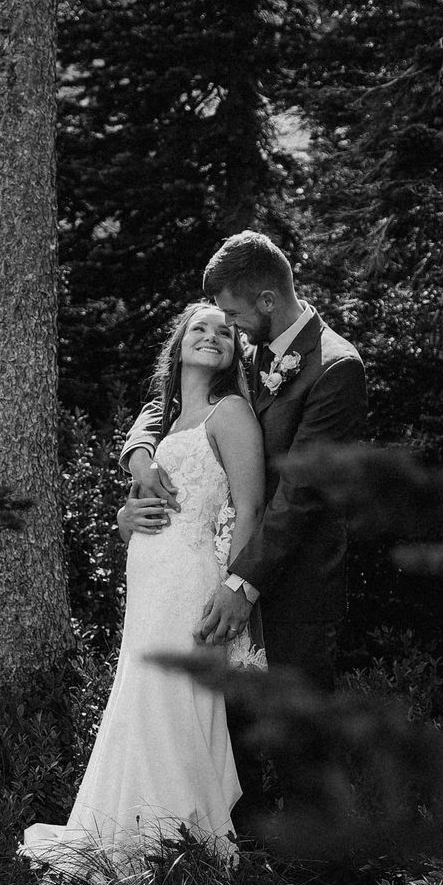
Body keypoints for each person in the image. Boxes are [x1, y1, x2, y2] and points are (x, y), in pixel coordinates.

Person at [21, 302, 265, 879]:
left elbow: (250, 507)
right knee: (140, 700)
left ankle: (183, 845)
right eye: (199, 329)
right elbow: (149, 487)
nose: (211, 337)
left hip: (191, 582)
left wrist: (238, 587)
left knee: (175, 702)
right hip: (150, 586)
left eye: (224, 332)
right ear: (178, 343)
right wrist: (125, 519)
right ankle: (130, 834)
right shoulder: (166, 420)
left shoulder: (230, 413)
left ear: (235, 353)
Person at [120, 233, 366, 691]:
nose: (228, 327)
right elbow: (173, 401)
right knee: (231, 750)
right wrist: (139, 452)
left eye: (233, 315)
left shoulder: (335, 368)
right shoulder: (249, 351)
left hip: (294, 593)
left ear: (268, 300)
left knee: (300, 749)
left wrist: (241, 584)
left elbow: (300, 495)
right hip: (219, 579)